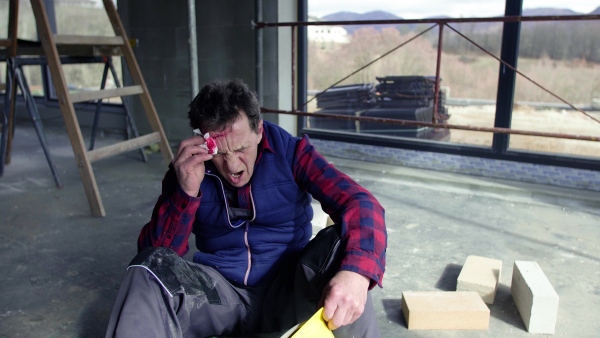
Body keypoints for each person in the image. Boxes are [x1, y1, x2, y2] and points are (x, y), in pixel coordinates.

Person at [105, 78, 387, 338]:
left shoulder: (292, 152)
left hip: (288, 288)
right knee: (147, 270)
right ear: (203, 140)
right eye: (220, 153)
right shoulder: (188, 168)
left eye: (240, 149)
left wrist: (356, 275)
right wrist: (185, 192)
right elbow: (157, 253)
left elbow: (360, 202)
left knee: (345, 249)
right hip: (221, 295)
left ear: (259, 130)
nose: (232, 165)